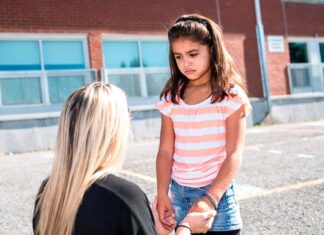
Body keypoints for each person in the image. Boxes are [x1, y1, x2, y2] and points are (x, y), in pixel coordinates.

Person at [32, 82, 215, 235]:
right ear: (112, 129)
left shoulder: (48, 193)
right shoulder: (123, 196)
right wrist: (186, 227)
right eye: (127, 113)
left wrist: (146, 224)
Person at [156, 14, 252, 235]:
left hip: (216, 196)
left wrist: (209, 199)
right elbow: (165, 151)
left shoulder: (230, 96)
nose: (185, 63)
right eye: (178, 56)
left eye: (193, 54)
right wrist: (162, 194)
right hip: (178, 194)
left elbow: (234, 154)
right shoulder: (171, 98)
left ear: (212, 50)